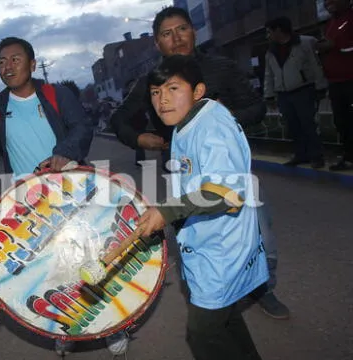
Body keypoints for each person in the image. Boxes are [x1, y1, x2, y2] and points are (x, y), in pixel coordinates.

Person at [0, 30, 126, 356]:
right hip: (29, 205)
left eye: (15, 59)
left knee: (91, 259)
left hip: (72, 194)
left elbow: (82, 126)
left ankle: (113, 325)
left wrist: (65, 151)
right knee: (50, 267)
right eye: (1, 61)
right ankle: (65, 325)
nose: (7, 66)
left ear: (32, 64)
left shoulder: (55, 95)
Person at [110, 6, 289, 320]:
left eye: (182, 29)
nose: (176, 38)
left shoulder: (220, 67)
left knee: (259, 232)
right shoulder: (153, 81)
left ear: (193, 31)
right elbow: (118, 118)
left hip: (227, 170)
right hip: (184, 175)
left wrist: (225, 116)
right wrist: (140, 139)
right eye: (166, 34)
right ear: (156, 43)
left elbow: (257, 108)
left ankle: (263, 287)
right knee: (196, 239)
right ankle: (208, 297)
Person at [138, 55, 268, 360]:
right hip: (208, 243)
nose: (163, 100)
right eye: (155, 93)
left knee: (203, 333)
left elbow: (225, 193)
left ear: (198, 91)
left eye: (172, 89)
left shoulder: (212, 126)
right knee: (224, 318)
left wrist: (167, 211)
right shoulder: (188, 123)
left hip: (222, 248)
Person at [264, 16, 328, 169]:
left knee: (308, 124)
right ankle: (300, 155)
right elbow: (269, 74)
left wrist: (320, 86)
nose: (268, 35)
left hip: (303, 89)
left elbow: (315, 65)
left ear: (278, 30)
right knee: (293, 125)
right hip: (283, 93)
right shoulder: (271, 51)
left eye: (269, 31)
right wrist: (269, 94)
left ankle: (316, 156)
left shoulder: (305, 43)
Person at [317, 0, 353, 171]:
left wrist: (336, 45)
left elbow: (343, 45)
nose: (328, 4)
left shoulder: (350, 18)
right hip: (336, 81)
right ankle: (349, 157)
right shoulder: (332, 23)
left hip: (350, 78)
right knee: (342, 122)